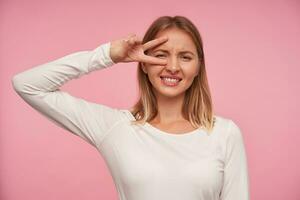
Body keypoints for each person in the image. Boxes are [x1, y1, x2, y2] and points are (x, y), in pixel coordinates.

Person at [12, 15, 250, 200]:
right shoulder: (116, 128)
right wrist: (108, 55)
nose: (173, 66)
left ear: (198, 67)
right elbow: (28, 85)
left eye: (185, 57)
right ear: (143, 64)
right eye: (161, 55)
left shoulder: (225, 134)